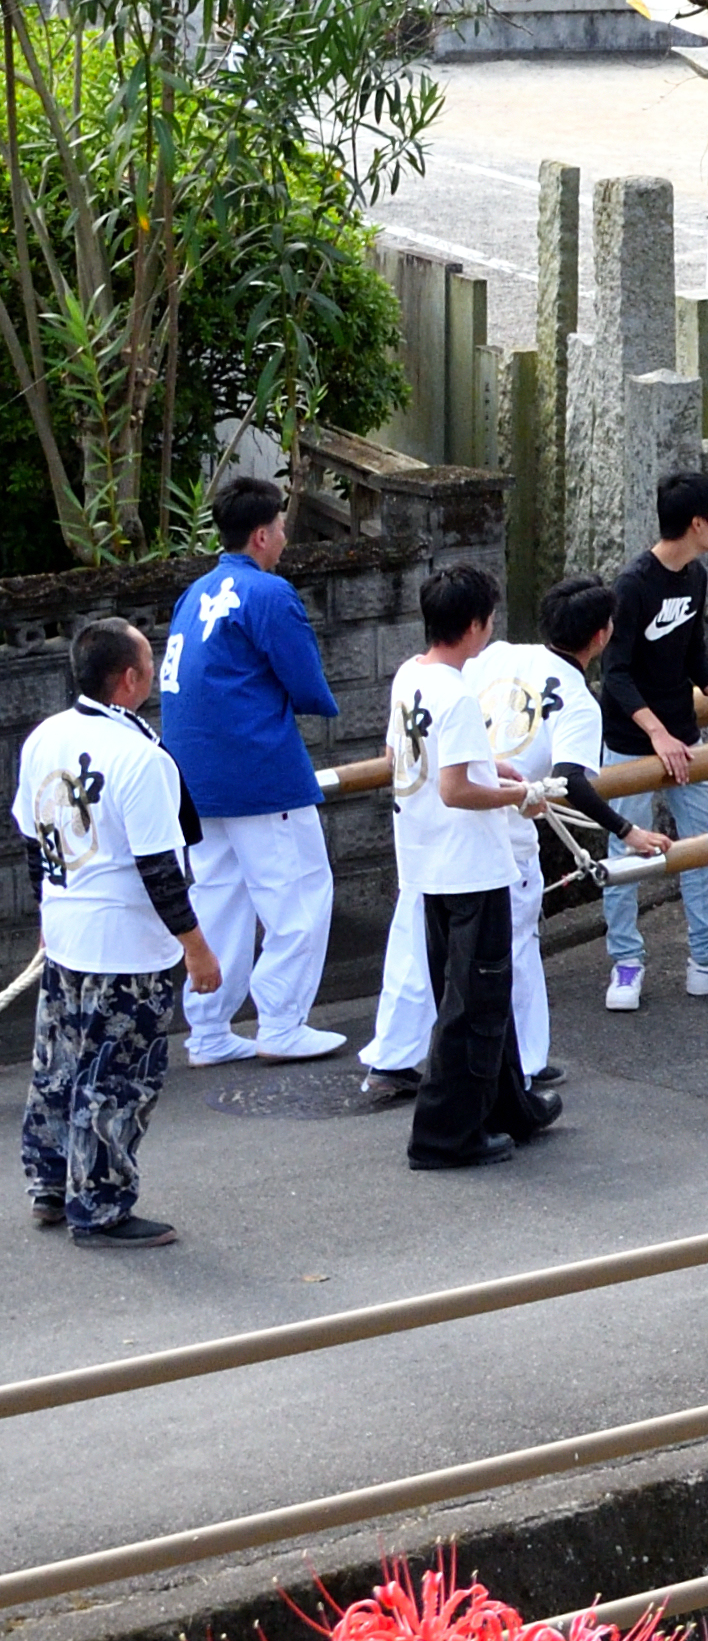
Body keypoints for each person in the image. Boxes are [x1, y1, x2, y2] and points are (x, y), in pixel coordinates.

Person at [360, 577, 673, 1102]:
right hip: (488, 839)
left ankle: (393, 1058)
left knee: (418, 945)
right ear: (601, 636)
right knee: (503, 955)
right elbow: (571, 781)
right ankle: (518, 1068)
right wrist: (626, 830)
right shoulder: (576, 701)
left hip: (422, 831)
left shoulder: (475, 660)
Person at [18, 617, 219, 1248]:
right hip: (125, 947)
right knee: (117, 1077)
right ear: (129, 679)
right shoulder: (139, 758)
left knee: (58, 1067)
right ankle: (100, 1207)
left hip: (69, 929)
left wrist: (48, 912)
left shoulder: (45, 736)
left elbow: (34, 841)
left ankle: (51, 1183)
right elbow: (159, 869)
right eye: (149, 661)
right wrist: (198, 949)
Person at [158, 478, 339, 1069]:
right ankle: (282, 1022)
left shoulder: (193, 593)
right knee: (298, 895)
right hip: (258, 770)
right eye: (282, 528)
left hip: (193, 777)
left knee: (218, 902)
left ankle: (208, 1030)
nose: (285, 539)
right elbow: (307, 685)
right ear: (262, 534)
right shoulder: (269, 593)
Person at [389, 566, 562, 1170]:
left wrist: (493, 765)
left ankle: (510, 1105)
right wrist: (520, 795)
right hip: (469, 868)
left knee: (470, 993)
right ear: (474, 626)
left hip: (426, 858)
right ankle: (444, 1136)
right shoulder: (458, 693)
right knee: (476, 1002)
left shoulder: (411, 674)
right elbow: (457, 790)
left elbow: (411, 756)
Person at [600, 471, 708, 1012]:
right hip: (630, 740)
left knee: (704, 846)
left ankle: (707, 958)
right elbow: (614, 672)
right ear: (697, 522)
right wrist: (655, 733)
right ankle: (626, 962)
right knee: (626, 850)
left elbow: (692, 650)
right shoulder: (632, 585)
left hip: (682, 737)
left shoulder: (695, 577)